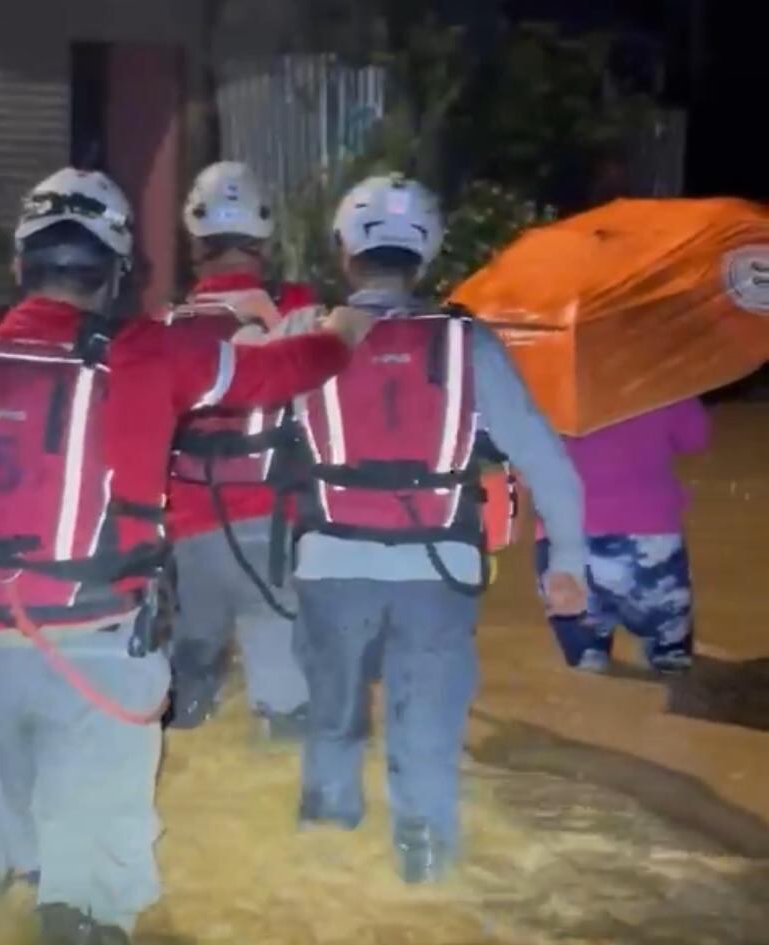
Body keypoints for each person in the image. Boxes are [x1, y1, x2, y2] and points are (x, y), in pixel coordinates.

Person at [0, 167, 369, 945]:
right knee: (92, 900)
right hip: (98, 657)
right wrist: (343, 334)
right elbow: (277, 373)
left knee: (5, 868)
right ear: (115, 274)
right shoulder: (148, 354)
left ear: (19, 266)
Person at [272, 174, 589, 883]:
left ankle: (322, 872)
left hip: (329, 568)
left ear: (345, 252)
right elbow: (547, 460)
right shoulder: (467, 342)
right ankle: (424, 873)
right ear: (428, 255)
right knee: (425, 742)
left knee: (331, 728)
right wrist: (566, 560)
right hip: (437, 572)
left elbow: (250, 435)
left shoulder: (305, 335)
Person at [165, 160, 316, 737]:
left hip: (190, 538)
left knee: (187, 704)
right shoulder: (302, 311)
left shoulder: (168, 325)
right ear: (264, 233)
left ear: (194, 239)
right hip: (276, 533)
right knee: (286, 719)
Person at [538, 398, 710, 674]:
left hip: (562, 542)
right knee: (671, 657)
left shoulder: (542, 382)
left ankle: (589, 654)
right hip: (649, 539)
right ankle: (667, 655)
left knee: (586, 662)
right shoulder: (655, 379)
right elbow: (695, 438)